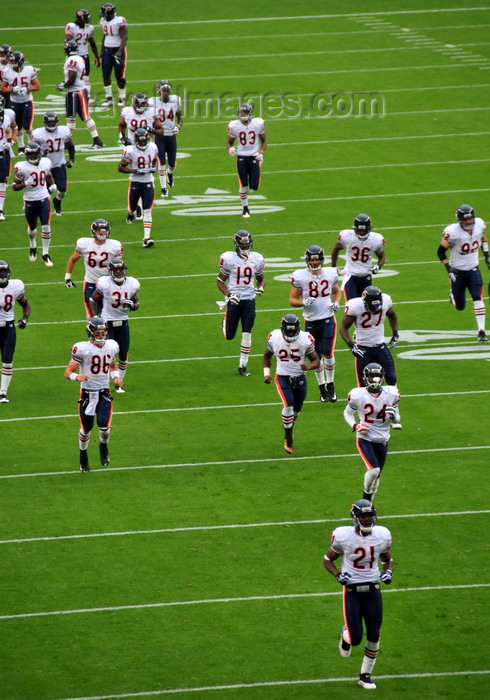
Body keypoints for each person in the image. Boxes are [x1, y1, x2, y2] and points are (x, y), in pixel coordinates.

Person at [323, 499, 394, 690]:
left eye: (370, 515)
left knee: (374, 635)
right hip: (352, 590)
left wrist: (388, 572)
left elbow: (388, 560)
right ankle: (345, 633)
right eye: (364, 515)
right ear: (356, 517)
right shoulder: (343, 536)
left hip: (373, 588)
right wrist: (339, 575)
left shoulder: (382, 535)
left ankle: (365, 675)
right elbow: (327, 559)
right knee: (355, 638)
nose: (368, 519)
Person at [64, 317, 122, 471]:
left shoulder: (111, 346)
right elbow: (68, 372)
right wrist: (77, 377)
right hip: (87, 393)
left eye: (103, 333)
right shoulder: (82, 349)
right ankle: (83, 455)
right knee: (86, 428)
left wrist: (116, 378)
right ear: (91, 333)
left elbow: (112, 365)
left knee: (104, 426)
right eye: (98, 333)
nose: (101, 336)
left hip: (103, 391)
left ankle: (103, 446)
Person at [289, 244, 341, 402]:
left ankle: (331, 385)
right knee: (315, 356)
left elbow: (337, 291)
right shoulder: (300, 276)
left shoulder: (331, 274)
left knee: (328, 352)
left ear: (321, 260)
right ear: (307, 261)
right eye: (311, 260)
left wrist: (337, 302)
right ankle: (322, 388)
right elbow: (292, 300)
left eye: (317, 259)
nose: (314, 263)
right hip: (311, 320)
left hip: (327, 318)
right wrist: (304, 301)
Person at [343, 363, 401, 501]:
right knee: (374, 470)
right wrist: (356, 425)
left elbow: (397, 419)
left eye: (377, 376)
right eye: (371, 376)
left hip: (383, 439)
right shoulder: (358, 395)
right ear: (365, 377)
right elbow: (347, 413)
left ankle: (369, 503)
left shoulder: (391, 393)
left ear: (382, 377)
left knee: (377, 474)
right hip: (365, 437)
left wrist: (393, 416)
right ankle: (366, 497)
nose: (374, 379)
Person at [263, 313, 320, 454]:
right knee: (288, 404)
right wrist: (267, 374)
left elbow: (316, 360)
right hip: (282, 376)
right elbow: (266, 356)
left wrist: (308, 367)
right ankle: (288, 437)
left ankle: (288, 425)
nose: (290, 333)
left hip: (300, 377)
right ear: (282, 329)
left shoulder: (305, 339)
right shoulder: (275, 337)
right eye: (287, 330)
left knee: (297, 409)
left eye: (293, 330)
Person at [437, 204, 490, 343]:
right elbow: (440, 251)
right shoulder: (452, 232)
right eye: (465, 220)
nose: (468, 222)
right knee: (460, 306)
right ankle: (452, 295)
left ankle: (481, 331)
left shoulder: (479, 224)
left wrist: (486, 255)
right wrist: (448, 268)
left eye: (470, 219)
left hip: (473, 269)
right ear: (459, 220)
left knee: (478, 298)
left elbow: (483, 237)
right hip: (458, 271)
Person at [216, 229, 265, 376]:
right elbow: (220, 282)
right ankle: (225, 321)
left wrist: (260, 288)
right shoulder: (229, 259)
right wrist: (229, 295)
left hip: (249, 300)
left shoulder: (256, 259)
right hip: (234, 300)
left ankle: (242, 365)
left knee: (247, 334)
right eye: (243, 244)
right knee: (229, 335)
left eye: (247, 243)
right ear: (237, 244)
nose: (246, 246)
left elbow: (261, 279)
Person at [88, 260, 140, 394]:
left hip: (123, 323)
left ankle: (119, 384)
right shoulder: (105, 283)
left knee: (123, 355)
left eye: (120, 269)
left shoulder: (131, 284)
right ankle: (104, 384)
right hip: (108, 324)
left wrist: (133, 306)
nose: (119, 272)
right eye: (116, 270)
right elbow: (93, 300)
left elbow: (136, 302)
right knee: (108, 356)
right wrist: (95, 318)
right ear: (111, 271)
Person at [339, 285, 399, 387]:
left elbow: (392, 315)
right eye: (372, 306)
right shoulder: (355, 305)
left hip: (380, 345)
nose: (375, 308)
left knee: (391, 378)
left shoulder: (385, 300)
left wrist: (395, 334)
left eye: (377, 305)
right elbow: (343, 328)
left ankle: (392, 402)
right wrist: (352, 346)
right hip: (363, 348)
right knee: (364, 385)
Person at [64, 218, 123, 317]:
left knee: (109, 315)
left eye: (104, 230)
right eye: (99, 230)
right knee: (91, 316)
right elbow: (73, 259)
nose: (102, 232)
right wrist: (67, 277)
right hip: (91, 283)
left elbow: (118, 266)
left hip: (108, 283)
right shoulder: (84, 244)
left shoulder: (115, 245)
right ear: (93, 231)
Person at [12, 141, 56, 266]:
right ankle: (32, 245)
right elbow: (14, 187)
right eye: (30, 154)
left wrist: (52, 184)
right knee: (32, 228)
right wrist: (25, 183)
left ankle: (45, 253)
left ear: (39, 153)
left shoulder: (45, 162)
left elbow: (48, 174)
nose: (32, 156)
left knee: (46, 226)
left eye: (34, 154)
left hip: (43, 198)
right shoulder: (22, 167)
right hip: (30, 200)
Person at [56, 40, 104, 148]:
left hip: (77, 92)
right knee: (70, 118)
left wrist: (63, 85)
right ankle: (67, 142)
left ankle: (97, 140)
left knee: (85, 116)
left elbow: (72, 78)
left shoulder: (72, 60)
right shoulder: (79, 58)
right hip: (75, 92)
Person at [331, 213, 386, 302]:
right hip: (350, 276)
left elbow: (382, 256)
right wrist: (333, 266)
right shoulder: (348, 236)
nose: (362, 232)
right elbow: (336, 248)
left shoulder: (375, 240)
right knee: (351, 306)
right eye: (360, 230)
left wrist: (378, 267)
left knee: (366, 306)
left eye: (364, 230)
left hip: (366, 276)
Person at [117, 127, 158, 248]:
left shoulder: (153, 147)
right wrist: (134, 170)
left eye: (145, 141)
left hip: (148, 182)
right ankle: (131, 213)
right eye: (141, 141)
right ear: (136, 141)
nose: (143, 143)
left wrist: (154, 167)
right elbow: (120, 167)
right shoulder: (130, 151)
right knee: (132, 207)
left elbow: (155, 159)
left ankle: (146, 237)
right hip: (135, 182)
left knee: (147, 210)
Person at [31, 112, 75, 216]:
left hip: (59, 164)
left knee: (62, 190)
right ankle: (40, 210)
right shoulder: (38, 133)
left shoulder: (64, 131)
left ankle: (57, 201)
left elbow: (71, 145)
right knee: (44, 191)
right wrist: (41, 153)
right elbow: (32, 150)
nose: (51, 124)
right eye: (49, 122)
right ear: (45, 123)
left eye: (53, 122)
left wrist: (72, 159)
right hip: (44, 167)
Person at [226, 103, 266, 218]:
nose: (243, 114)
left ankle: (252, 184)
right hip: (242, 157)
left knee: (254, 187)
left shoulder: (258, 123)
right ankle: (245, 209)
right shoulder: (234, 125)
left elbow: (264, 141)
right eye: (241, 112)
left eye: (246, 112)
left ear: (250, 113)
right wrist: (231, 149)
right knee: (243, 184)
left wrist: (261, 152)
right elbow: (229, 143)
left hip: (254, 156)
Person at [0, 260, 31, 403]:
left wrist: (24, 318)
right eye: (0, 271)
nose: (2, 274)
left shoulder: (15, 286)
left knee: (7, 360)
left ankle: (3, 393)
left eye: (4, 271)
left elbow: (25, 304)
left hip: (8, 328)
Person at [0, 50, 40, 154]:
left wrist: (27, 89)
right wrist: (13, 90)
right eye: (11, 61)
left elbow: (37, 86)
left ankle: (31, 144)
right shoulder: (7, 72)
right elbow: (3, 88)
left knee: (28, 125)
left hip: (27, 101)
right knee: (17, 125)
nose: (12, 64)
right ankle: (21, 146)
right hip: (14, 102)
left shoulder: (29, 70)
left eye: (14, 62)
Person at [148, 80, 182, 197]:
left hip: (171, 135)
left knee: (172, 164)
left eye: (167, 90)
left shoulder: (176, 100)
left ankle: (169, 173)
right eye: (164, 90)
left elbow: (180, 116)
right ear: (159, 92)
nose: (166, 93)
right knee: (161, 162)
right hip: (160, 136)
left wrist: (178, 126)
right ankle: (163, 188)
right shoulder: (153, 102)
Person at [65, 8, 100, 97]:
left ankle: (86, 97)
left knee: (84, 78)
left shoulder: (89, 28)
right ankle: (76, 95)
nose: (88, 20)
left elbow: (92, 43)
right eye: (87, 18)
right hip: (76, 56)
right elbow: (68, 40)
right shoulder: (72, 26)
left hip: (82, 55)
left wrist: (97, 56)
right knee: (73, 77)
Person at [99, 3, 128, 107]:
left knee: (119, 75)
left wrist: (119, 51)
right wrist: (102, 50)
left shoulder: (119, 21)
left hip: (117, 49)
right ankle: (109, 98)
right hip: (107, 49)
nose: (102, 14)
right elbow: (105, 35)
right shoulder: (103, 21)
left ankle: (122, 98)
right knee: (106, 74)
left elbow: (124, 37)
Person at [0, 94, 18, 221]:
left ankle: (0, 209)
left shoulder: (6, 117)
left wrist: (9, 139)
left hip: (1, 152)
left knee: (2, 182)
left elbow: (10, 129)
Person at [0, 44, 12, 109]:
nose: (1, 55)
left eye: (3, 53)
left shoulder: (13, 66)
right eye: (0, 53)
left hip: (10, 92)